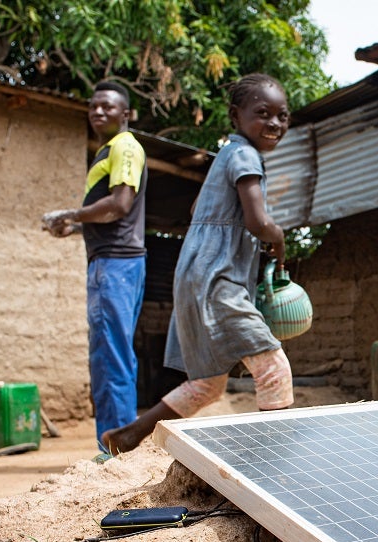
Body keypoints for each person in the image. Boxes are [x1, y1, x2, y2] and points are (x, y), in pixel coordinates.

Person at [99, 73, 293, 454]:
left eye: (282, 116)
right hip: (216, 279)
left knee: (208, 384)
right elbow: (257, 221)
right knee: (273, 368)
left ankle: (129, 435)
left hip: (195, 278)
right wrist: (279, 239)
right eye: (263, 113)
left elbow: (196, 209)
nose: (274, 123)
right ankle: (278, 454)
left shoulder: (225, 157)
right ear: (236, 116)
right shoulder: (244, 155)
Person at [42, 81, 148, 451]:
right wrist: (75, 227)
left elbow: (119, 205)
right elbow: (114, 217)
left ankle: (114, 449)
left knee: (109, 357)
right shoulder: (107, 150)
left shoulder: (125, 146)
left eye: (107, 106)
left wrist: (69, 213)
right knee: (114, 354)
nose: (98, 111)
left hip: (116, 267)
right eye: (93, 106)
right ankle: (120, 444)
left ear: (126, 114)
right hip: (115, 263)